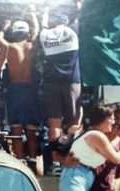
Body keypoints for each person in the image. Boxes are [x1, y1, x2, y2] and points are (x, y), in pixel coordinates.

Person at [39, 12, 81, 175]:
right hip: (71, 81)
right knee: (73, 123)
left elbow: (42, 26)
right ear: (66, 22)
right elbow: (80, 17)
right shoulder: (73, 32)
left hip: (51, 82)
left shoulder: (45, 35)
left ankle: (56, 163)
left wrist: (44, 12)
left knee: (54, 124)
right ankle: (71, 161)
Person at [5, 7, 41, 170]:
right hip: (30, 89)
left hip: (15, 90)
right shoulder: (31, 47)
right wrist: (33, 13)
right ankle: (32, 160)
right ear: (27, 33)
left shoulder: (8, 47)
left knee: (16, 128)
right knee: (31, 129)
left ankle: (19, 161)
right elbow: (37, 31)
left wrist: (4, 27)